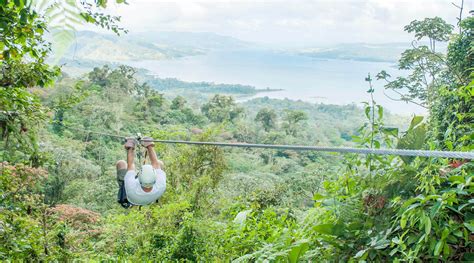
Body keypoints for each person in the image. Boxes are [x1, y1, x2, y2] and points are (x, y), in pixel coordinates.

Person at [116, 137, 166, 208]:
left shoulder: (131, 187)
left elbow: (131, 165)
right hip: (150, 197)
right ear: (155, 178)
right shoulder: (161, 184)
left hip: (131, 199)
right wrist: (149, 146)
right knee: (160, 164)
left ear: (138, 178)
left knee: (121, 163)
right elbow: (156, 163)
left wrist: (130, 148)